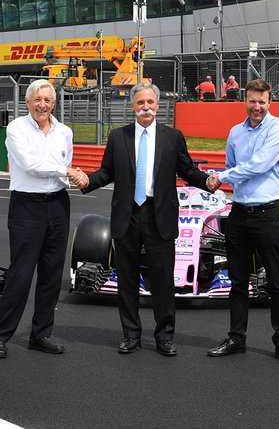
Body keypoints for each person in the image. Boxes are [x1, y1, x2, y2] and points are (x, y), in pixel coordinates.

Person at [72, 82, 211, 357]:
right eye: (139, 103)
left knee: (162, 280)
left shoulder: (173, 137)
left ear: (158, 105)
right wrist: (87, 180)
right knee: (127, 280)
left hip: (159, 215)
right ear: (132, 106)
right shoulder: (118, 137)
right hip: (127, 215)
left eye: (149, 102)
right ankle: (131, 335)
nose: (145, 107)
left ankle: (164, 337)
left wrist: (210, 181)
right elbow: (107, 172)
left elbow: (187, 170)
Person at [0, 79, 84, 359]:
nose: (43, 105)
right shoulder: (16, 128)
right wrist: (68, 171)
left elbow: (62, 165)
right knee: (21, 274)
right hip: (26, 206)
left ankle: (41, 334)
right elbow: (30, 165)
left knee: (52, 274)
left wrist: (66, 172)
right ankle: (0, 335)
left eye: (48, 100)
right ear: (28, 102)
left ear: (54, 103)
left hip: (57, 205)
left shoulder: (64, 132)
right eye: (38, 99)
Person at [205, 79, 279, 363]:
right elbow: (234, 168)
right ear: (244, 101)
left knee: (277, 282)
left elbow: (259, 165)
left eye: (262, 102)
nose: (257, 107)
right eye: (252, 101)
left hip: (268, 214)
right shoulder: (235, 132)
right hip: (240, 214)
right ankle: (236, 338)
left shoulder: (278, 128)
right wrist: (222, 175)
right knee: (238, 280)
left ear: (270, 103)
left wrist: (221, 177)